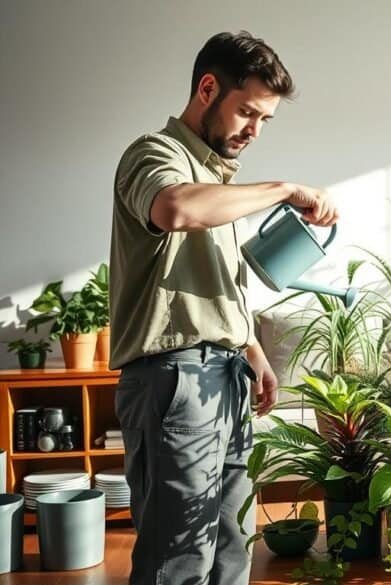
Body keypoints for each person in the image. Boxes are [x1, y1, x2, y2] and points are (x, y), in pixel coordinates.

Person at [108, 31, 338, 585]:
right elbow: (172, 208)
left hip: (225, 376)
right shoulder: (155, 154)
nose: (254, 131)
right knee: (178, 557)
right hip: (174, 380)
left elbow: (214, 286)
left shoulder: (218, 182)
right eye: (247, 113)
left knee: (233, 547)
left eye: (265, 120)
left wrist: (253, 351)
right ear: (208, 88)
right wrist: (283, 188)